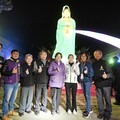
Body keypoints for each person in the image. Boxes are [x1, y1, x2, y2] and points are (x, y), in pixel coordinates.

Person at [93, 50, 113, 120]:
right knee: (99, 100)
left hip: (106, 85)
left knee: (107, 99)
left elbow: (111, 73)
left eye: (98, 54)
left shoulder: (105, 62)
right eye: (95, 54)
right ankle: (101, 112)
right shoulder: (94, 64)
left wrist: (106, 76)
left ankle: (107, 114)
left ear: (101, 55)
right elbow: (94, 74)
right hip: (98, 85)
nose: (97, 55)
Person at [1, 49, 20, 120]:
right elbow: (2, 72)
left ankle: (10, 111)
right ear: (11, 54)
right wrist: (11, 72)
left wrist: (19, 81)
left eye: (17, 54)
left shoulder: (18, 62)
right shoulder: (7, 61)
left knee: (13, 98)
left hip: (16, 83)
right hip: (9, 83)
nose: (16, 55)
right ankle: (4, 115)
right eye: (14, 53)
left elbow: (19, 73)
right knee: (6, 99)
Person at [78, 52, 94, 118]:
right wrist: (78, 80)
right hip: (82, 81)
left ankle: (87, 111)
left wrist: (87, 73)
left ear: (86, 57)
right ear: (80, 57)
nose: (83, 57)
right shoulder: (80, 64)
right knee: (85, 95)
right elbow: (79, 73)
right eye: (82, 56)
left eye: (84, 56)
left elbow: (92, 73)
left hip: (87, 81)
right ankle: (89, 108)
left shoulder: (89, 64)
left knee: (87, 95)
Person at [34, 50, 50, 115]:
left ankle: (43, 107)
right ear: (40, 55)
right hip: (38, 82)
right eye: (42, 54)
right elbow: (34, 71)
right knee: (37, 96)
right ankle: (37, 109)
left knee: (44, 96)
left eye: (45, 55)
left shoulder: (48, 63)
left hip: (46, 82)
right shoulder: (36, 62)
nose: (43, 56)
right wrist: (37, 71)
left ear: (46, 56)